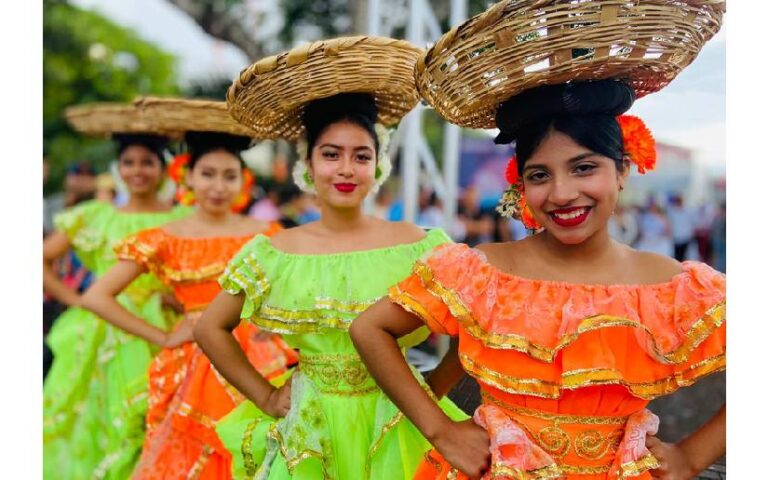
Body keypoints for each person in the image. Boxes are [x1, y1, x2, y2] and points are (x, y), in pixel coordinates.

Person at [350, 3, 725, 478]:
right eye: (540, 175)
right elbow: (369, 329)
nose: (563, 193)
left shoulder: (672, 287)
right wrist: (441, 430)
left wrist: (694, 455)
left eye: (584, 167)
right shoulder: (480, 271)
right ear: (520, 186)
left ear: (623, 171)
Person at [194, 36, 467, 479]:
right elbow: (210, 327)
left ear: (378, 166)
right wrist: (264, 397)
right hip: (310, 426)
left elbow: (470, 325)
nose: (345, 169)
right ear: (308, 164)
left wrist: (434, 388)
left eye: (361, 155)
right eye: (330, 154)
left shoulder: (423, 245)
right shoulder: (274, 252)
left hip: (401, 421)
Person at [83, 126, 298, 479]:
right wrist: (162, 337)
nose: (218, 186)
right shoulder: (167, 237)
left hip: (260, 359)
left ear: (242, 181)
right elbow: (96, 296)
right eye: (208, 174)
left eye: (229, 176)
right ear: (188, 178)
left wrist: (271, 326)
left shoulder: (267, 233)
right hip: (195, 362)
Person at [43, 127, 192, 479]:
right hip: (102, 330)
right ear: (117, 168)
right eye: (128, 162)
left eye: (147, 162)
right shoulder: (98, 215)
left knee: (154, 417)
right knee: (97, 414)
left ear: (163, 169)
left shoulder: (180, 219)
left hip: (163, 328)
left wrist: (176, 299)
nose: (137, 171)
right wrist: (77, 300)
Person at [667, 195, 695, 262]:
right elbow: (670, 224)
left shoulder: (688, 211)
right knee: (677, 257)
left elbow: (691, 224)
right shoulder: (672, 212)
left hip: (685, 237)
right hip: (676, 237)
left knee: (684, 256)